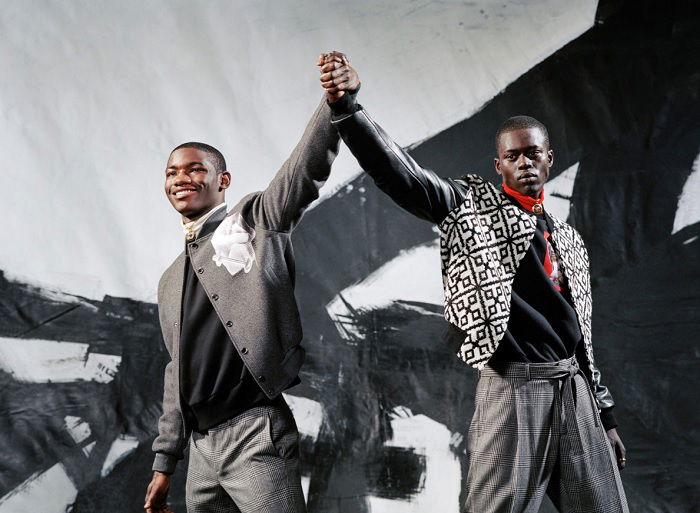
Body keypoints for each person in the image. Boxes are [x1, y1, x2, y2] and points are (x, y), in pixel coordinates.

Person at [319, 51, 629, 513]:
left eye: (533, 153)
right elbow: (404, 177)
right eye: (513, 155)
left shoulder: (567, 239)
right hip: (514, 387)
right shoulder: (472, 208)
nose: (524, 162)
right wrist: (349, 109)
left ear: (549, 160)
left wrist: (604, 415)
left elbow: (581, 338)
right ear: (499, 165)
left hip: (574, 391)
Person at [143, 60, 348, 513]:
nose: (181, 179)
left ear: (223, 181)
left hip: (254, 431)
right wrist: (164, 464)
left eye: (195, 169)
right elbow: (178, 371)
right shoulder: (169, 279)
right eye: (172, 172)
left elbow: (302, 173)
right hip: (200, 448)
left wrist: (335, 106)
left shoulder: (254, 222)